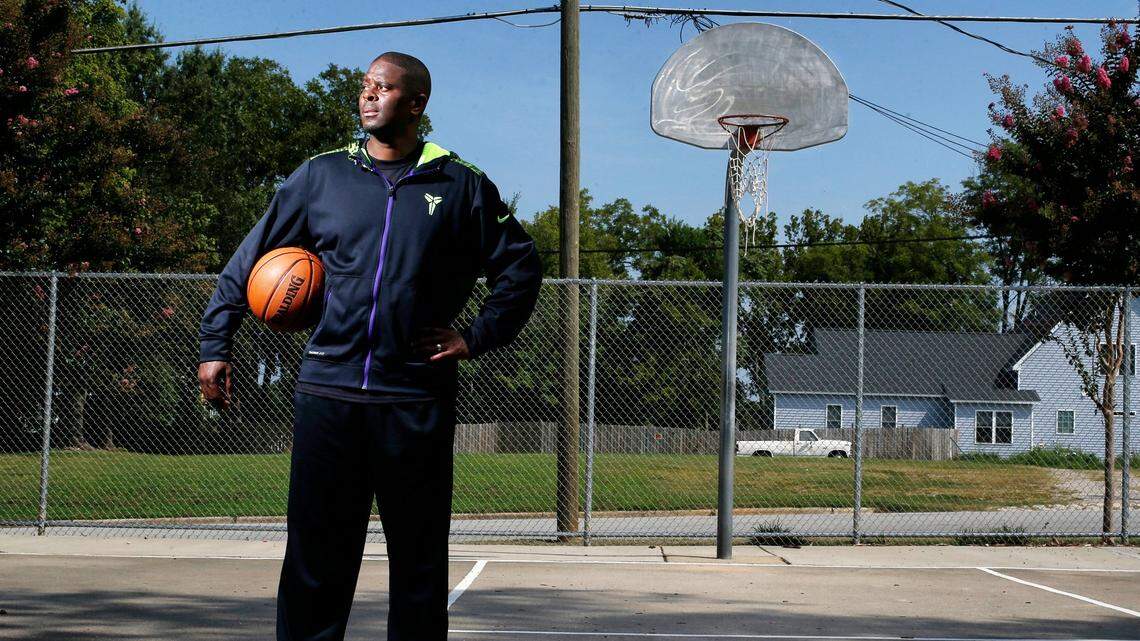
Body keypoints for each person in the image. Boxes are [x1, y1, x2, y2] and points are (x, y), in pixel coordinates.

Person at [197, 51, 542, 641]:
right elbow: (249, 260)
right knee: (315, 561)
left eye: (383, 87)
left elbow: (521, 269)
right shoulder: (321, 176)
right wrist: (215, 343)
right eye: (365, 86)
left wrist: (475, 336)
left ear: (416, 103)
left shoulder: (460, 184)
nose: (369, 95)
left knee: (419, 564)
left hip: (414, 396)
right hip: (328, 392)